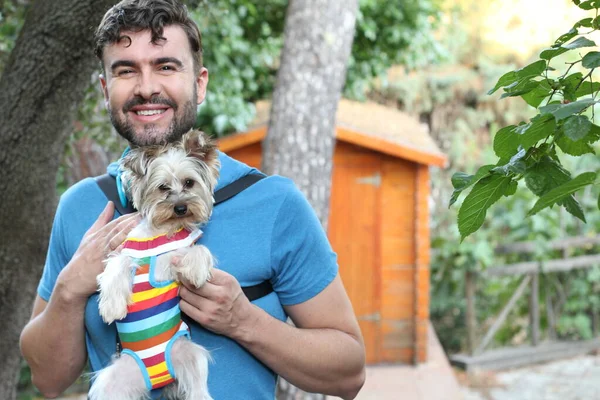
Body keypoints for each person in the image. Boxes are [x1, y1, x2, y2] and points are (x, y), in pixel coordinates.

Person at [19, 0, 366, 399]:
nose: (146, 87)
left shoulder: (274, 203)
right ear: (105, 88)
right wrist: (69, 290)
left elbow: (348, 373)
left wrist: (244, 322)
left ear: (200, 83)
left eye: (166, 66)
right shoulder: (82, 206)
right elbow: (47, 380)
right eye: (126, 70)